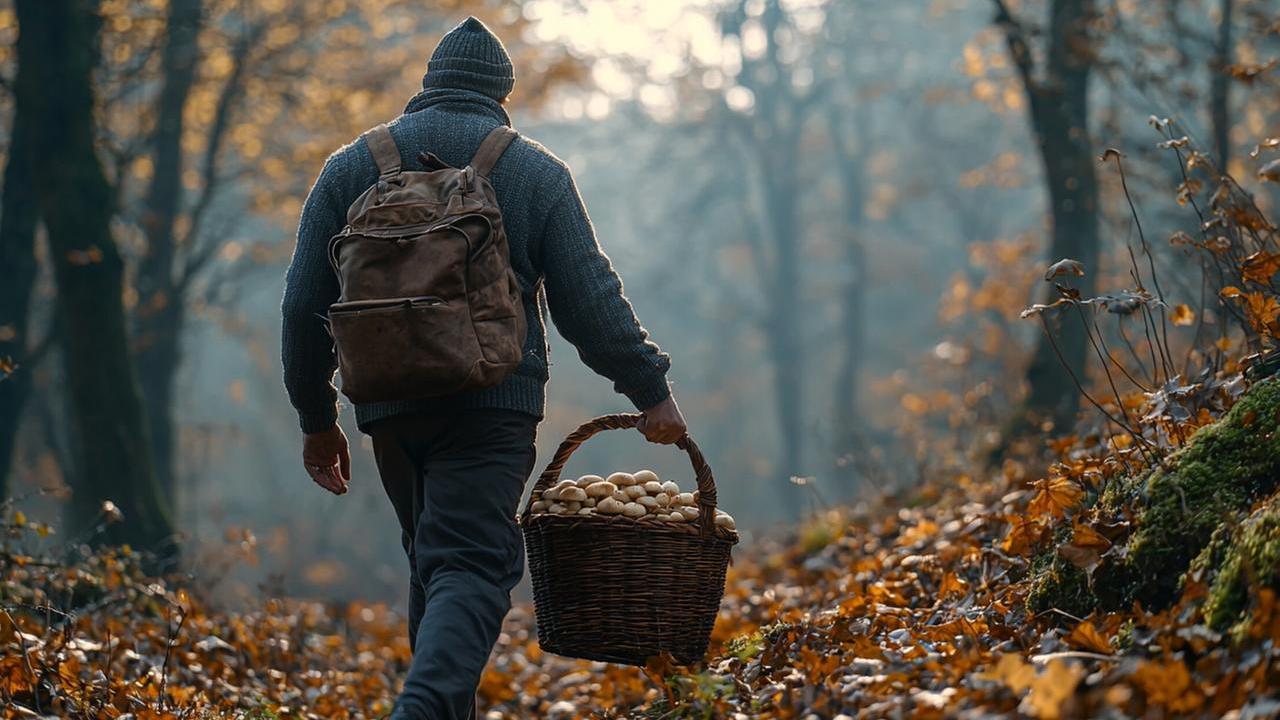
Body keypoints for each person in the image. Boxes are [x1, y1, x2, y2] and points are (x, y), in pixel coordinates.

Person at [280, 16, 686, 720]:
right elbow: (589, 302)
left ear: (428, 84)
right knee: (469, 563)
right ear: (502, 92)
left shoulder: (353, 165)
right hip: (493, 404)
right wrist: (650, 390)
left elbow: (302, 306)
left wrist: (318, 421)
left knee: (437, 565)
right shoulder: (533, 170)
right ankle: (424, 710)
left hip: (387, 404)